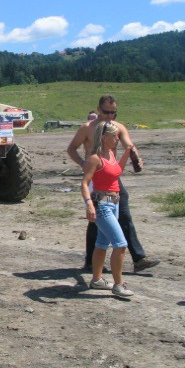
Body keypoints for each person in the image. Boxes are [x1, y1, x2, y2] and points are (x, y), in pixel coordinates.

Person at [67, 95, 160, 273]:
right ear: (98, 109)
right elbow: (71, 149)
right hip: (95, 176)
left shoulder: (118, 128)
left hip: (111, 176)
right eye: (106, 112)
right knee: (96, 220)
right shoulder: (87, 128)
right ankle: (90, 262)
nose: (110, 116)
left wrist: (137, 159)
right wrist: (83, 164)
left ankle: (138, 259)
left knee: (124, 214)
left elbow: (129, 147)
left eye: (113, 113)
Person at [81, 121, 134, 297]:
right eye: (114, 136)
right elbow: (84, 183)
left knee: (102, 244)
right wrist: (89, 203)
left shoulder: (110, 154)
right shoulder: (95, 158)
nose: (117, 138)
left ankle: (97, 280)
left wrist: (127, 153)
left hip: (114, 204)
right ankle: (119, 284)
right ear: (104, 138)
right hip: (102, 205)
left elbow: (116, 171)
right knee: (121, 244)